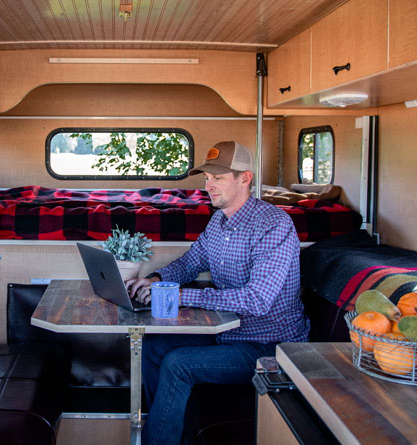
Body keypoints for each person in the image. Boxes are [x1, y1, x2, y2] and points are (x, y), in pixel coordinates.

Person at [125, 140, 309, 445]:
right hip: (228, 331)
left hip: (269, 346)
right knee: (152, 347)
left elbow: (257, 300)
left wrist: (180, 296)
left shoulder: (274, 225)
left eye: (218, 178)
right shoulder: (219, 221)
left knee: (178, 363)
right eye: (207, 178)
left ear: (245, 178)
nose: (208, 186)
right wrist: (156, 279)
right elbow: (191, 262)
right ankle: (171, 432)